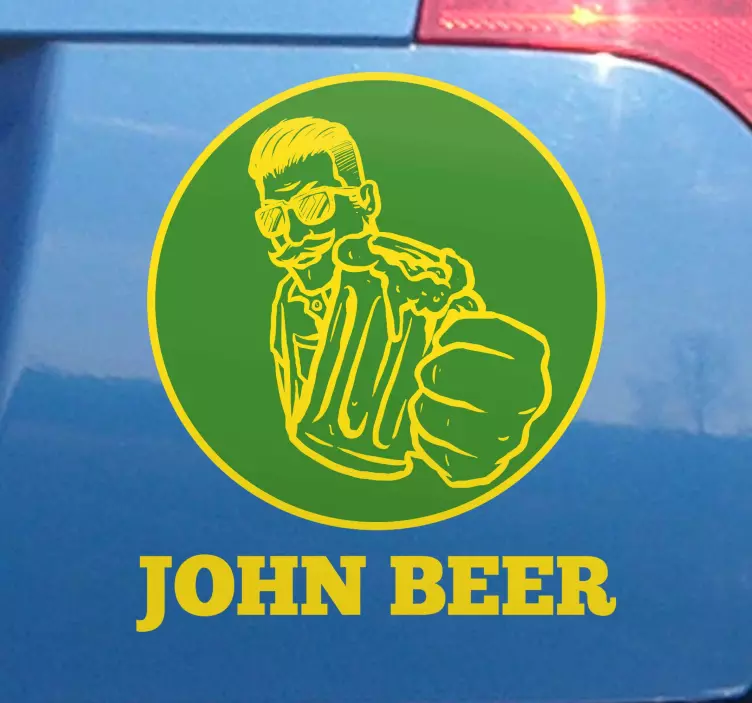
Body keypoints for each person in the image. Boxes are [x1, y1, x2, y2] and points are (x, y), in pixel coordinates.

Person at [249, 117, 551, 488]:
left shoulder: (414, 292)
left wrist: (483, 416)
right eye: (273, 217)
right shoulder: (289, 297)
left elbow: (480, 373)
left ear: (365, 201)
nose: (292, 233)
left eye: (313, 205)